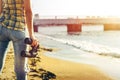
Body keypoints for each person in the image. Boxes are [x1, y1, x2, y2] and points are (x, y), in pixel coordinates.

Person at [0, 0, 38, 80]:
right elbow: (28, 11)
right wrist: (32, 35)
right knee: (20, 70)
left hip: (2, 29)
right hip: (19, 31)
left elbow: (0, 9)